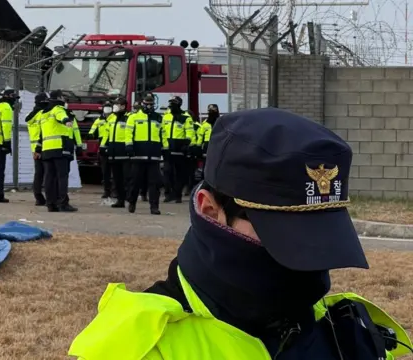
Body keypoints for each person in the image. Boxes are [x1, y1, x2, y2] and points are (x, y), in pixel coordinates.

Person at [69, 107, 413, 359]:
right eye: (283, 233)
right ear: (210, 211)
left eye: (319, 235)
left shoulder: (346, 330)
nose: (309, 259)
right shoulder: (136, 348)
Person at [35, 90, 78, 212]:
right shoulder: (58, 109)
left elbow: (41, 135)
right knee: (62, 177)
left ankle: (51, 204)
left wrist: (38, 149)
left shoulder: (44, 114)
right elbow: (61, 117)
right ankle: (63, 203)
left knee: (49, 177)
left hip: (47, 150)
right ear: (59, 98)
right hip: (60, 148)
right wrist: (67, 121)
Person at [125, 93, 163, 215]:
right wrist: (129, 145)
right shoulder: (134, 117)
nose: (149, 106)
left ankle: (154, 206)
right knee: (135, 181)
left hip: (154, 155)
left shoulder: (158, 118)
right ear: (142, 104)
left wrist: (165, 148)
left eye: (151, 104)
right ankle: (132, 202)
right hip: (138, 154)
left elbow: (163, 135)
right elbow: (128, 132)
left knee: (154, 183)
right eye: (147, 104)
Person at [161, 96, 194, 203]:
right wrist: (163, 145)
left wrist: (186, 144)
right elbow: (162, 132)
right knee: (167, 172)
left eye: (174, 103)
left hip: (180, 150)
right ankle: (168, 194)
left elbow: (190, 133)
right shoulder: (166, 117)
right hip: (167, 149)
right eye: (170, 103)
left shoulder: (186, 117)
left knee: (180, 174)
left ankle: (177, 195)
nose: (171, 105)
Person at [100, 97, 131, 208]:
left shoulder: (129, 118)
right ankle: (120, 200)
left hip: (124, 151)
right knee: (117, 178)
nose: (115, 106)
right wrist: (103, 146)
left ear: (123, 106)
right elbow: (106, 133)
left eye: (117, 104)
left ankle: (129, 197)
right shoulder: (112, 118)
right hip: (113, 151)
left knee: (127, 177)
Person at [26, 92, 50, 206]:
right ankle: (50, 197)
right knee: (49, 173)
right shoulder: (42, 114)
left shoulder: (31, 115)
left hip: (34, 148)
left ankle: (38, 197)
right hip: (43, 146)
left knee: (38, 173)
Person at [88, 101, 112, 199]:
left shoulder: (114, 119)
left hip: (114, 146)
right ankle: (107, 191)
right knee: (105, 171)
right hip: (103, 147)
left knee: (116, 171)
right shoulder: (99, 120)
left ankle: (115, 191)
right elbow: (93, 129)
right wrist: (90, 134)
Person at [196, 104, 219, 181]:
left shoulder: (220, 122)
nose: (211, 113)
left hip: (217, 146)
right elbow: (200, 135)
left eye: (213, 111)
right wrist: (198, 147)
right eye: (210, 111)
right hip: (207, 147)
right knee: (206, 167)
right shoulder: (205, 123)